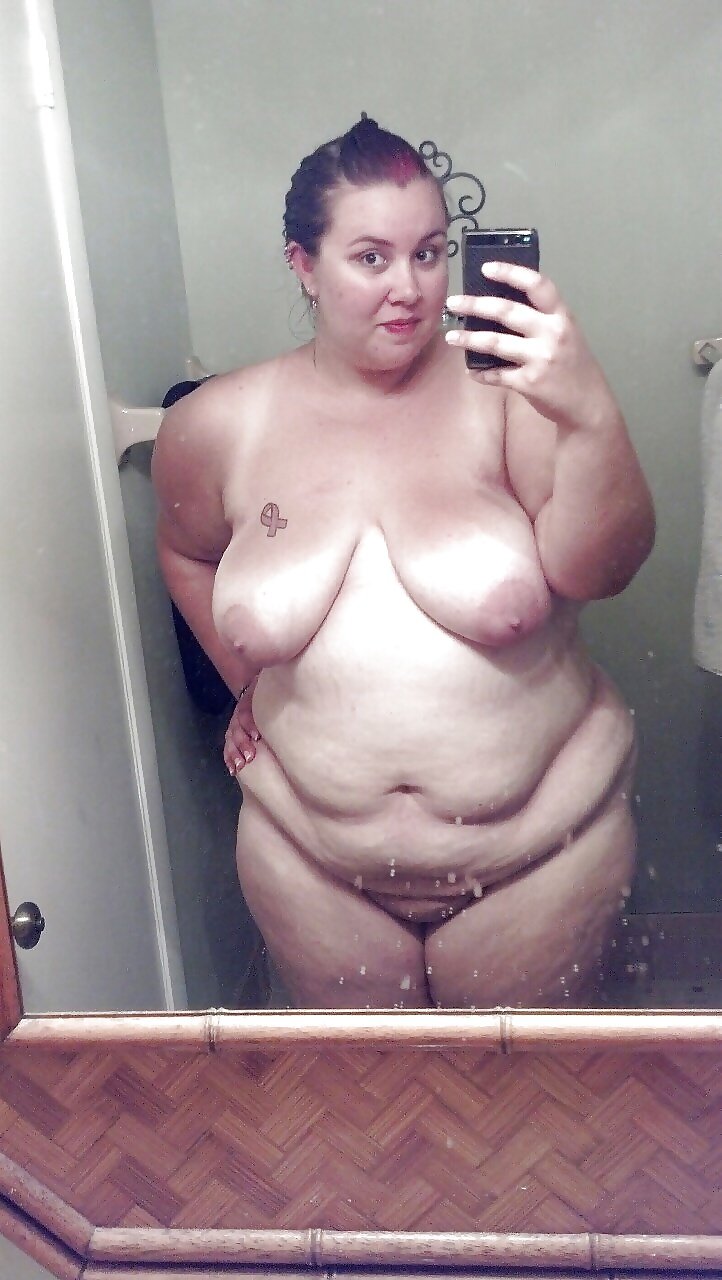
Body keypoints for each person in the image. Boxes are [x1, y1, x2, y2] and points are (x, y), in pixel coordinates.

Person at [152, 116, 655, 1010]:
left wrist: (586, 410)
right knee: (363, 1091)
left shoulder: (509, 394)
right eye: (371, 258)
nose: (410, 289)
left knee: (521, 1098)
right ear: (303, 265)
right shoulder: (217, 424)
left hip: (541, 853)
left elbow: (601, 568)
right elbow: (184, 551)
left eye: (429, 253)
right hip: (309, 859)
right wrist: (246, 685)